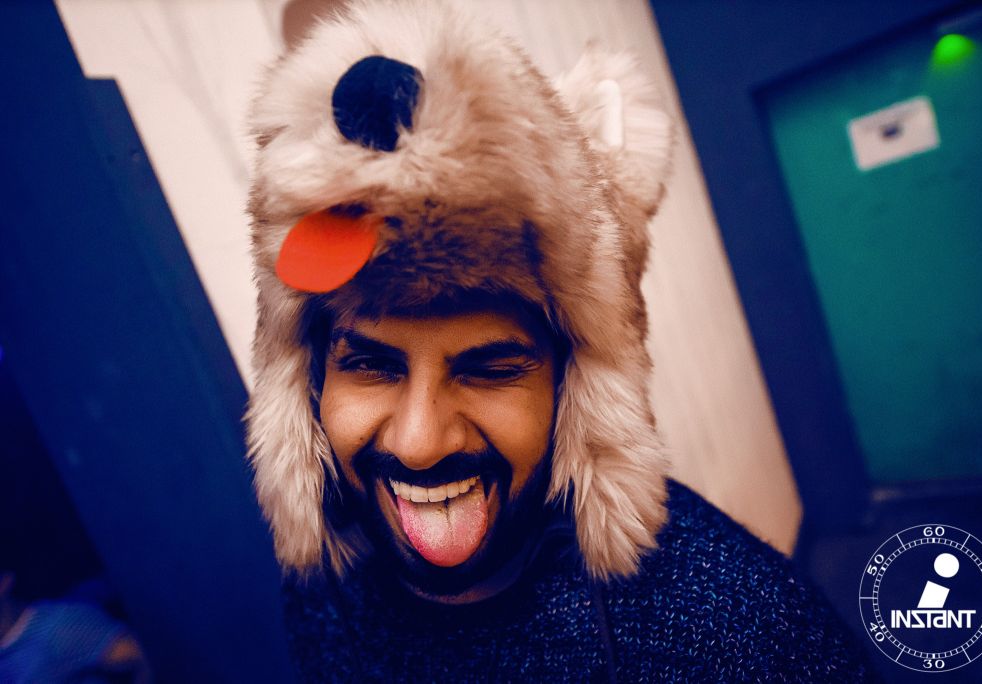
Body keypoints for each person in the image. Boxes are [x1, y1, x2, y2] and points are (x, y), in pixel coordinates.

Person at [244, 1, 879, 680]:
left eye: (490, 369)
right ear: (308, 382)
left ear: (575, 389)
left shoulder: (740, 630)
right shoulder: (323, 593)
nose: (419, 442)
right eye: (372, 366)